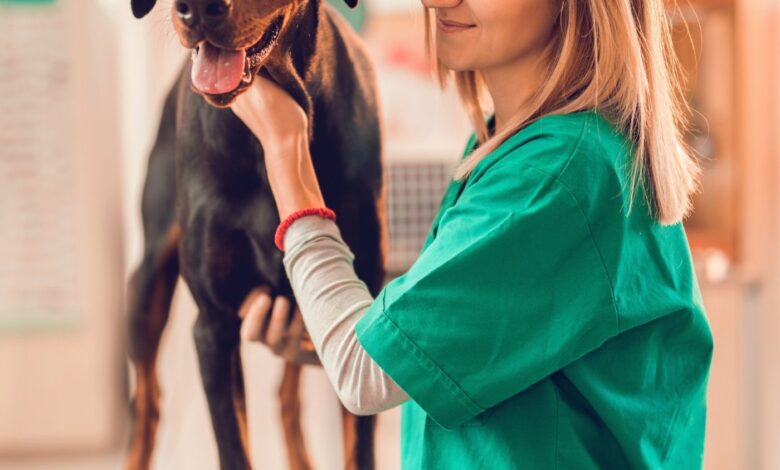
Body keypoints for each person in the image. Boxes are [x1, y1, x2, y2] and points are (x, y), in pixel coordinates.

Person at [229, 0, 715, 468]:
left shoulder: (553, 178)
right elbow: (455, 353)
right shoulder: (517, 148)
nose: (436, 1)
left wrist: (285, 148)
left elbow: (363, 378)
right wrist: (338, 342)